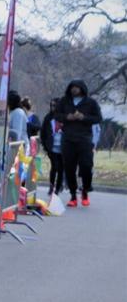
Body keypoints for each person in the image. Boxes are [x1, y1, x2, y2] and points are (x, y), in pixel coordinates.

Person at [55, 79, 102, 207]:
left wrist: (84, 118)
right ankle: (73, 195)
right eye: (72, 87)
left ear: (82, 88)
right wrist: (66, 117)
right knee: (69, 168)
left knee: (86, 166)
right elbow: (56, 115)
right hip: (68, 138)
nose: (74, 89)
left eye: (77, 87)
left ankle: (85, 191)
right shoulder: (64, 101)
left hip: (84, 138)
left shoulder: (90, 103)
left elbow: (98, 118)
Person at [39, 98, 64, 197]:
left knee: (61, 168)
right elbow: (43, 132)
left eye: (55, 105)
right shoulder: (48, 118)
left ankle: (58, 188)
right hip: (52, 147)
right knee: (55, 166)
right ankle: (51, 186)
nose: (53, 107)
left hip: (62, 147)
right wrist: (45, 146)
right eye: (52, 105)